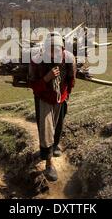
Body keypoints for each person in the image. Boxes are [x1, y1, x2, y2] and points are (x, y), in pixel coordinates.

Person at [29, 32, 76, 182]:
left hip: (60, 98)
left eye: (58, 49)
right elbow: (33, 85)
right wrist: (46, 78)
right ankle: (49, 163)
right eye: (51, 49)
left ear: (62, 49)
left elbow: (71, 79)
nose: (55, 52)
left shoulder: (68, 58)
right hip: (44, 98)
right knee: (47, 128)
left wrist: (66, 94)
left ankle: (54, 146)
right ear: (46, 49)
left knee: (58, 125)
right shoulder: (37, 61)